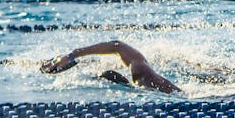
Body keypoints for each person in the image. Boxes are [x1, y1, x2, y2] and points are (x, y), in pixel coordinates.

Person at [40, 41, 182, 94]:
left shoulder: (142, 73)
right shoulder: (142, 76)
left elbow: (117, 46)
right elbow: (117, 46)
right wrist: (72, 57)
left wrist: (73, 55)